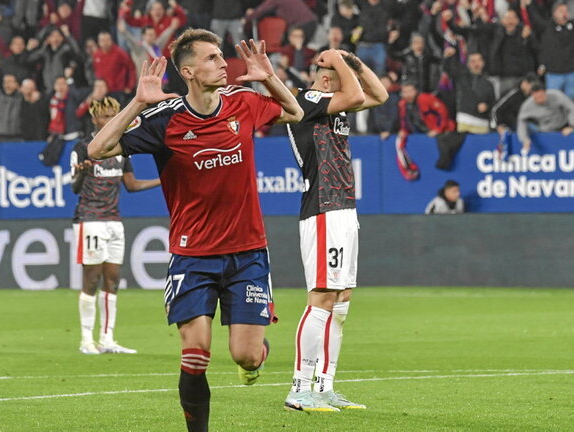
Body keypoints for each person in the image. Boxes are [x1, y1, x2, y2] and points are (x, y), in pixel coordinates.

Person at [87, 30, 303, 431]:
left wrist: (269, 77)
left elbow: (295, 112)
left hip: (248, 253)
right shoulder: (164, 121)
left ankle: (257, 354)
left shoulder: (243, 102)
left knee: (245, 356)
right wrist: (137, 100)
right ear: (188, 71)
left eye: (222, 57)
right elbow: (97, 149)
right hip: (192, 256)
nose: (224, 64)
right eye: (212, 58)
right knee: (196, 353)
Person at [284, 49, 388, 412]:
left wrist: (354, 62)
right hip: (323, 208)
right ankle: (299, 388)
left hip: (344, 208)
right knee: (322, 298)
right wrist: (338, 61)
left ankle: (325, 386)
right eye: (339, 73)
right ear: (326, 76)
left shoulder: (335, 104)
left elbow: (379, 95)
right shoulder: (306, 99)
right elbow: (359, 94)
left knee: (341, 301)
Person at [71, 96, 161, 355]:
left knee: (112, 280)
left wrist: (163, 179)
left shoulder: (122, 148)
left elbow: (131, 186)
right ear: (94, 118)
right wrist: (83, 172)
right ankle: (86, 340)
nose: (110, 120)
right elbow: (73, 186)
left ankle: (107, 339)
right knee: (91, 279)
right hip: (90, 219)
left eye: (114, 115)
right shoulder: (83, 147)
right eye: (105, 116)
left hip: (114, 221)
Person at [517, 82, 574, 154]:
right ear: (532, 95)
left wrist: (572, 125)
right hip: (544, 130)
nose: (539, 99)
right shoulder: (527, 105)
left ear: (545, 92)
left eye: (541, 96)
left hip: (563, 127)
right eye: (536, 97)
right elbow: (521, 121)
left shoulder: (556, 95)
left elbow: (572, 107)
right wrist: (524, 139)